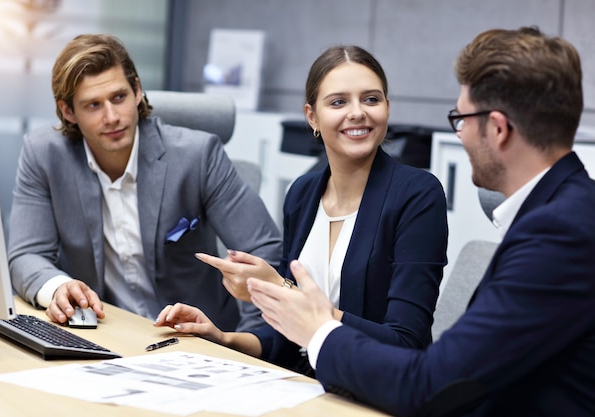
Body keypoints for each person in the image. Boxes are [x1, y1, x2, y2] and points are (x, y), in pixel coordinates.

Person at [246, 26, 595, 417]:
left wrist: (319, 327)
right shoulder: (562, 213)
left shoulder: (560, 232)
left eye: (461, 119)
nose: (460, 136)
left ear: (497, 128)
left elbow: (431, 383)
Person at [154, 45, 449, 374]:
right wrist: (224, 339)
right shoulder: (303, 194)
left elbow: (404, 343)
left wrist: (284, 292)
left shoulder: (418, 195)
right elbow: (289, 340)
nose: (358, 112)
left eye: (371, 99)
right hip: (308, 384)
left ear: (387, 108)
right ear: (312, 117)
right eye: (339, 102)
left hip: (380, 390)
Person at [7, 34, 282, 332]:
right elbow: (26, 254)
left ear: (137, 91)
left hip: (196, 338)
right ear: (68, 111)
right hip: (107, 332)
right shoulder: (45, 156)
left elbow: (263, 250)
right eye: (93, 105)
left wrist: (250, 342)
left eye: (118, 97)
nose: (112, 117)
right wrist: (57, 287)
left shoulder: (197, 155)